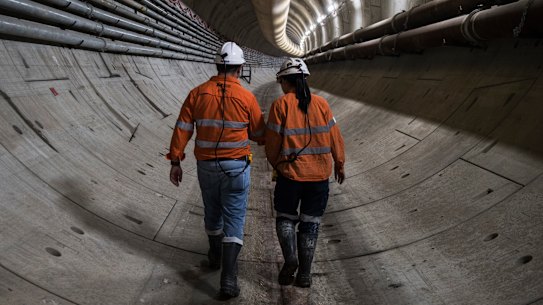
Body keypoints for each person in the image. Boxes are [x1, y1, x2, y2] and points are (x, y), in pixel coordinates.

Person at [167, 41, 265, 298]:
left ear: (216, 65)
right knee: (234, 219)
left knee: (212, 211)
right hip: (237, 167)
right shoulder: (247, 97)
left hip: (206, 166)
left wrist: (175, 161)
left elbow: (183, 129)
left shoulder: (197, 93)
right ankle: (229, 280)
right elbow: (258, 133)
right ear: (240, 68)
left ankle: (214, 256)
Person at [265, 58, 345, 288]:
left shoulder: (281, 105)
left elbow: (271, 144)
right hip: (319, 177)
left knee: (285, 217)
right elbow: (335, 136)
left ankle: (291, 259)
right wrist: (339, 163)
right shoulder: (322, 104)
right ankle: (305, 275)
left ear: (285, 81)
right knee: (310, 223)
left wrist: (278, 166)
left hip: (290, 175)